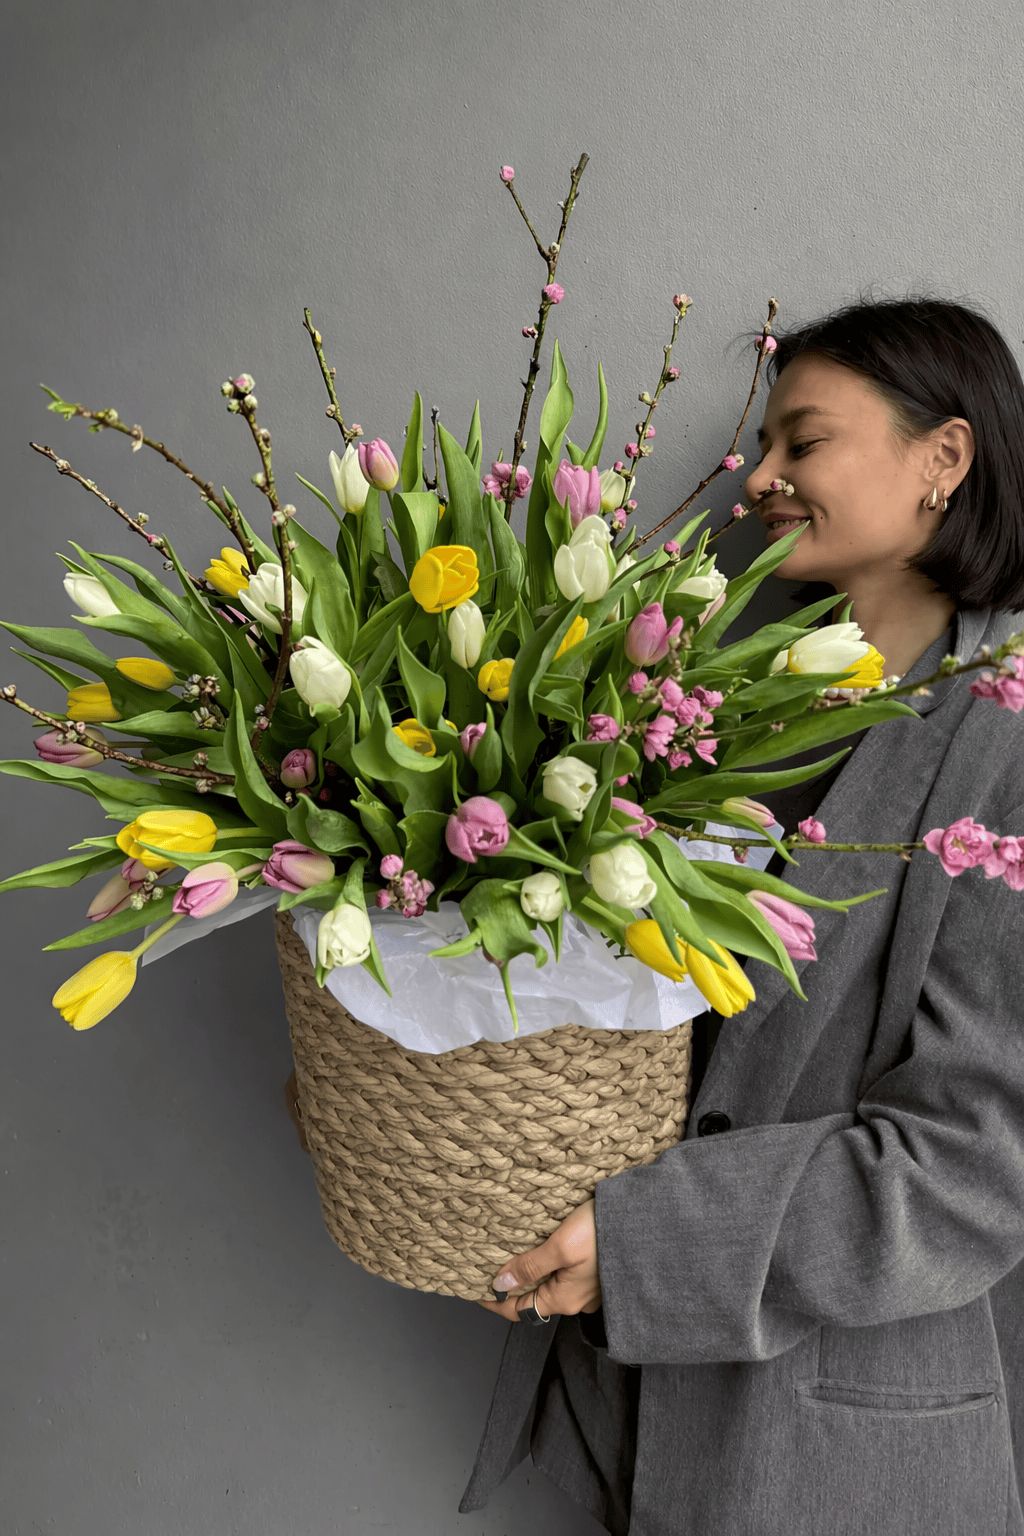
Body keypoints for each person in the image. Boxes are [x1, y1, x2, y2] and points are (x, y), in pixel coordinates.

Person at [459, 298, 1024, 1536]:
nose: (756, 479)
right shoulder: (735, 700)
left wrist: (649, 1243)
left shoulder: (1006, 751)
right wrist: (440, 1078)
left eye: (800, 442)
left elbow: (978, 1169)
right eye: (761, 447)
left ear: (946, 458)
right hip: (634, 1401)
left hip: (833, 1448)